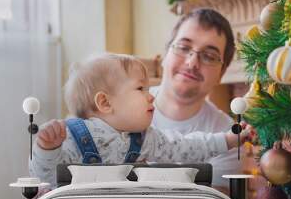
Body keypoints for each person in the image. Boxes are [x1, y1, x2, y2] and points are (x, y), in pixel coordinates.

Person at [29, 53, 248, 187]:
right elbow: (46, 177)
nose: (151, 94)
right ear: (105, 103)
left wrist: (227, 139)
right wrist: (47, 149)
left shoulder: (147, 139)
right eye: (140, 88)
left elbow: (188, 147)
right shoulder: (71, 135)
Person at [150, 8, 241, 188]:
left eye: (209, 56)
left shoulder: (228, 135)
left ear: (221, 74)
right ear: (165, 54)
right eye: (184, 48)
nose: (192, 63)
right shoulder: (120, 110)